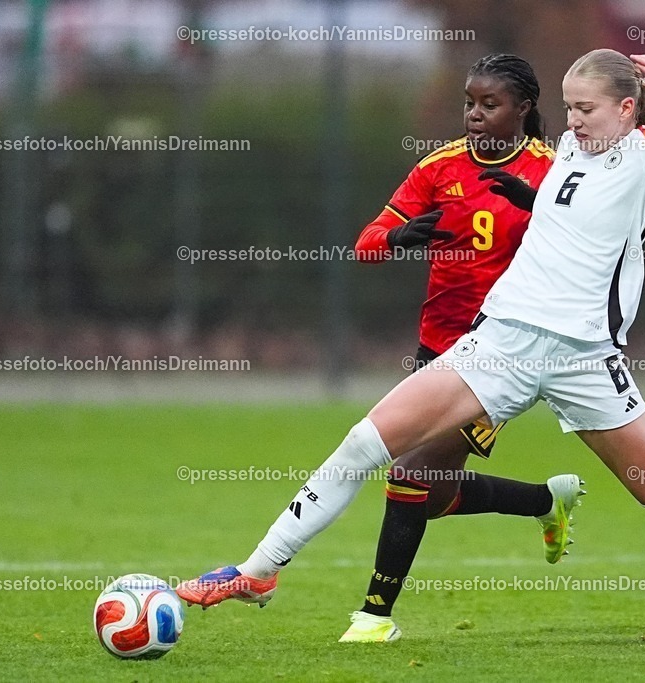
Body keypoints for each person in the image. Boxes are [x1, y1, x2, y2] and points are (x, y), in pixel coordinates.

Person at [177, 49, 645, 641]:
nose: (572, 121)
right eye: (567, 107)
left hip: (584, 356)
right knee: (366, 443)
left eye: (587, 108)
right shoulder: (568, 149)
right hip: (504, 340)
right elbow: (561, 212)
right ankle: (258, 570)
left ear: (627, 109)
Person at [179, 55, 585, 643]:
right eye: (469, 102)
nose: (474, 114)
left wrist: (540, 209)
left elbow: (587, 249)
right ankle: (546, 501)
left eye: (489, 104)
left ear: (523, 109)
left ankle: (373, 616)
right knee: (435, 493)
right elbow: (366, 243)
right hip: (435, 351)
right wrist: (398, 236)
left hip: (502, 357)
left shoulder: (553, 172)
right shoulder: (439, 167)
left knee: (407, 474)